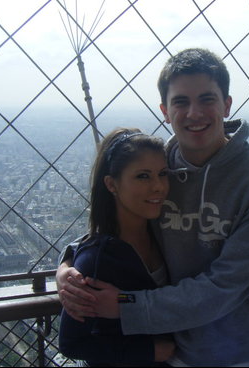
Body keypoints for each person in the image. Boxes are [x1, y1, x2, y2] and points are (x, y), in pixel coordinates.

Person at [57, 48, 249, 367]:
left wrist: (125, 306)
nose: (194, 113)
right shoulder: (159, 165)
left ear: (227, 104)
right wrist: (69, 265)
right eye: (181, 101)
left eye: (207, 99)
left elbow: (227, 285)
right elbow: (117, 218)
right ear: (165, 110)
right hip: (176, 353)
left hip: (245, 356)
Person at [58, 128, 175, 366]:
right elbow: (72, 343)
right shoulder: (97, 259)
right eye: (143, 176)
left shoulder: (165, 232)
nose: (158, 187)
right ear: (112, 185)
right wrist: (151, 351)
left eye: (163, 174)